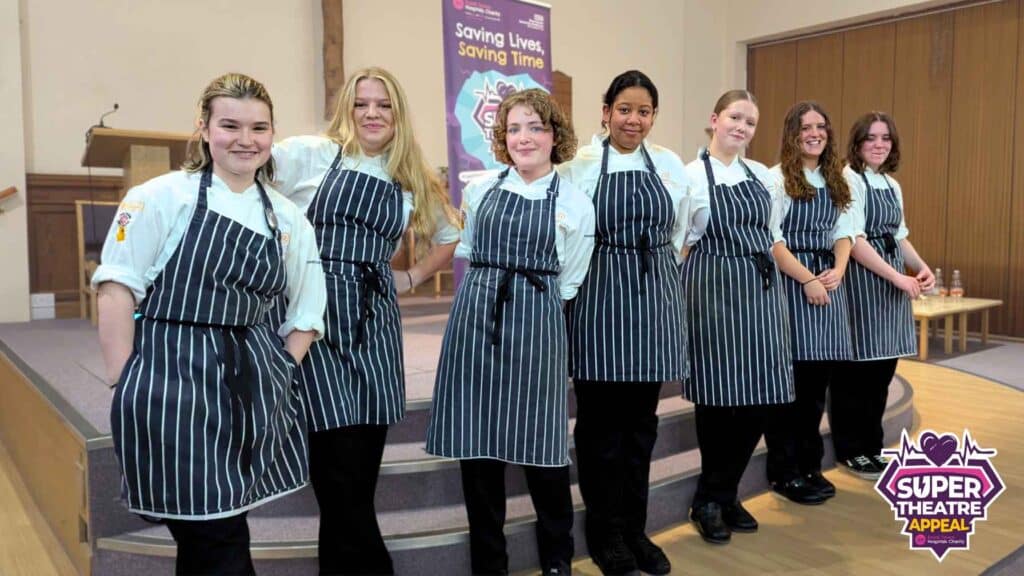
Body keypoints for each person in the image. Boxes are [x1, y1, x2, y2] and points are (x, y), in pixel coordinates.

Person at [93, 72, 326, 575]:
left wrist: (281, 369)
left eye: (259, 128)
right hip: (170, 377)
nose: (246, 140)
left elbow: (306, 310)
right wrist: (123, 378)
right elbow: (116, 288)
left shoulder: (287, 217)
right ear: (203, 129)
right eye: (230, 125)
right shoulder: (158, 197)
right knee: (211, 529)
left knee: (219, 523)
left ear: (272, 134)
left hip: (249, 381)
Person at [270, 67, 460, 574]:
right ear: (346, 110)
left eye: (384, 105)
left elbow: (450, 235)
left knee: (363, 469)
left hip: (376, 319)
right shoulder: (311, 153)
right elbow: (243, 175)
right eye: (362, 104)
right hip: (318, 316)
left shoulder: (410, 175)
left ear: (398, 114)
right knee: (336, 474)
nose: (372, 113)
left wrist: (411, 277)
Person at [425, 88, 595, 576]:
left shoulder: (576, 203)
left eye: (536, 127)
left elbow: (572, 279)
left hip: (538, 319)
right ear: (502, 137)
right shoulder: (480, 190)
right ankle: (489, 563)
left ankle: (557, 558)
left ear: (555, 136)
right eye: (514, 128)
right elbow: (471, 250)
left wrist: (529, 308)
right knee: (478, 450)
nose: (524, 138)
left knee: (542, 446)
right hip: (475, 320)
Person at [557, 70, 688, 576]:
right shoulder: (580, 167)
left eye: (644, 111)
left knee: (641, 428)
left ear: (653, 116)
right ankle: (604, 532)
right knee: (600, 429)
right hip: (600, 298)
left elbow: (679, 230)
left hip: (654, 297)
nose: (634, 120)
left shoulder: (669, 164)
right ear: (606, 111)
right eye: (625, 109)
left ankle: (635, 529)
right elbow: (568, 234)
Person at [681, 89, 794, 545]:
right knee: (718, 398)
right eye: (734, 117)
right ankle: (710, 498)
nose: (741, 127)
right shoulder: (689, 176)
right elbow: (680, 240)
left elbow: (772, 235)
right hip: (712, 287)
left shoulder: (763, 176)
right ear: (714, 119)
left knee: (761, 396)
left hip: (761, 288)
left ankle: (722, 492)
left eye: (750, 121)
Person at [830, 112, 934, 480]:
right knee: (855, 376)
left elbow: (899, 235)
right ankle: (850, 448)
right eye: (871, 138)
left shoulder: (891, 184)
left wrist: (921, 268)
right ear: (857, 143)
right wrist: (897, 278)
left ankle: (871, 446)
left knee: (881, 374)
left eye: (885, 138)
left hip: (890, 285)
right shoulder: (848, 179)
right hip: (862, 281)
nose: (879, 144)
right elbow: (855, 241)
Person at [762, 101, 855, 505]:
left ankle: (810, 464)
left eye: (821, 126)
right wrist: (807, 279)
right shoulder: (776, 178)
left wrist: (838, 268)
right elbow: (772, 239)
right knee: (792, 388)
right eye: (806, 127)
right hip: (792, 284)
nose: (815, 133)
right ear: (792, 134)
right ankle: (785, 471)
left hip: (828, 284)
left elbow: (846, 231)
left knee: (817, 387)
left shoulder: (837, 178)